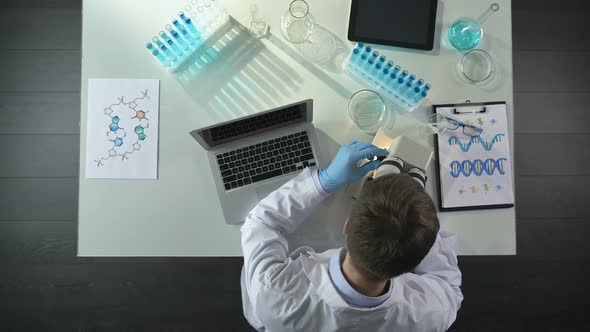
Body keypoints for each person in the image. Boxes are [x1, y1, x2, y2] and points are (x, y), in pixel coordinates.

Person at [240, 141, 463, 332]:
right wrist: (416, 215)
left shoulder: (274, 293)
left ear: (346, 226)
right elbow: (448, 288)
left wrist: (323, 181)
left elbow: (261, 223)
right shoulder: (429, 314)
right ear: (417, 261)